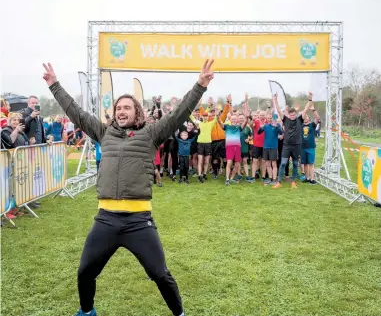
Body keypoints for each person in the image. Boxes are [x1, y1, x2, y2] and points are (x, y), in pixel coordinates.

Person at [42, 59, 215, 316]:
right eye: (118, 108)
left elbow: (179, 113)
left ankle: (180, 313)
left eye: (127, 107)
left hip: (138, 221)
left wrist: (200, 86)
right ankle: (87, 312)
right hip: (106, 220)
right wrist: (54, 85)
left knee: (160, 274)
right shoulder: (104, 132)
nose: (121, 111)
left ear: (137, 112)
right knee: (85, 272)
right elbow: (75, 112)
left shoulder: (152, 134)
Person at [272, 92, 312, 189]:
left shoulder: (299, 119)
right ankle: (279, 182)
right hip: (286, 146)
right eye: (291, 115)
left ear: (296, 114)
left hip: (297, 146)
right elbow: (278, 110)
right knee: (283, 163)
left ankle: (293, 181)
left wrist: (310, 100)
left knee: (295, 164)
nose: (293, 116)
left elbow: (306, 109)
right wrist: (276, 100)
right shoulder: (285, 120)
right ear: (289, 115)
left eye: (294, 114)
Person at [217, 114, 247, 186]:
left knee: (237, 163)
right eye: (232, 119)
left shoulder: (239, 127)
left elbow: (245, 123)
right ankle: (227, 179)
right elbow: (220, 123)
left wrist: (247, 116)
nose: (233, 120)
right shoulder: (227, 126)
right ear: (230, 120)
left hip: (237, 147)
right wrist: (218, 117)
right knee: (229, 162)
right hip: (229, 147)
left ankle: (231, 178)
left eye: (235, 119)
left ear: (237, 120)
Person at [258, 115, 283, 185]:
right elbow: (259, 132)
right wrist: (260, 127)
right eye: (268, 118)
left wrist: (277, 127)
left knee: (274, 164)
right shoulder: (265, 126)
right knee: (267, 163)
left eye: (270, 118)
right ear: (266, 119)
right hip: (266, 147)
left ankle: (275, 179)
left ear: (272, 119)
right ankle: (271, 178)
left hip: (274, 147)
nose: (269, 119)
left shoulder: (276, 125)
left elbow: (281, 132)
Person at [301, 105, 320, 184]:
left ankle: (312, 179)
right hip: (302, 147)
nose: (305, 117)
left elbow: (318, 119)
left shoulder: (312, 125)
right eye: (304, 116)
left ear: (309, 118)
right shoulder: (300, 125)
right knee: (305, 164)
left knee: (311, 164)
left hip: (311, 147)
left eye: (306, 116)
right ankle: (307, 177)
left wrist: (313, 110)